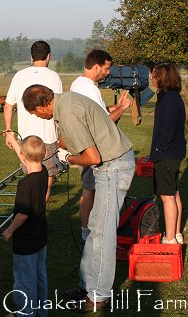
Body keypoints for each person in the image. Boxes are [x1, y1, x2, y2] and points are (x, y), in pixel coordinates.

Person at [22, 84, 135, 312]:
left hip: (113, 167)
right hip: (110, 165)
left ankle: (99, 296)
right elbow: (71, 139)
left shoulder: (68, 112)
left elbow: (92, 157)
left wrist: (69, 159)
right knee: (95, 227)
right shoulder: (66, 103)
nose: (37, 116)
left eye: (35, 112)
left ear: (44, 104)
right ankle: (86, 287)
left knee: (103, 232)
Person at [70, 49, 131, 246]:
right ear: (96, 67)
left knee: (92, 190)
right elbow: (103, 122)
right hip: (91, 148)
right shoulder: (89, 89)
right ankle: (86, 233)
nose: (107, 73)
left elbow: (100, 112)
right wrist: (122, 108)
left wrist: (117, 106)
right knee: (90, 190)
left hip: (88, 145)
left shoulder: (80, 84)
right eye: (106, 68)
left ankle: (88, 231)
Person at [4, 40, 63, 202]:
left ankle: (32, 212)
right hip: (48, 137)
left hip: (26, 137)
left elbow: (8, 105)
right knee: (48, 177)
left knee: (31, 176)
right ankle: (40, 210)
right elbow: (57, 106)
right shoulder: (53, 76)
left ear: (31, 57)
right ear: (49, 56)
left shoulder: (19, 76)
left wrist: (8, 131)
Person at [3, 133, 49, 317]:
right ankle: (41, 311)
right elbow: (27, 160)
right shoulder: (44, 171)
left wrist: (9, 230)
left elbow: (22, 214)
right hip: (40, 238)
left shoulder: (24, 184)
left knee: (24, 280)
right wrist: (15, 142)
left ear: (24, 154)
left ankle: (25, 313)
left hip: (25, 242)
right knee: (40, 276)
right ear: (43, 154)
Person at [149, 62, 186, 244]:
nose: (151, 78)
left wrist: (158, 149)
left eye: (154, 75)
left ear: (161, 78)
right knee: (174, 192)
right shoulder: (170, 97)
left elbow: (168, 130)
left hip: (167, 154)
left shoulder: (170, 100)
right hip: (172, 153)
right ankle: (177, 233)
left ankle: (170, 238)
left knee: (167, 196)